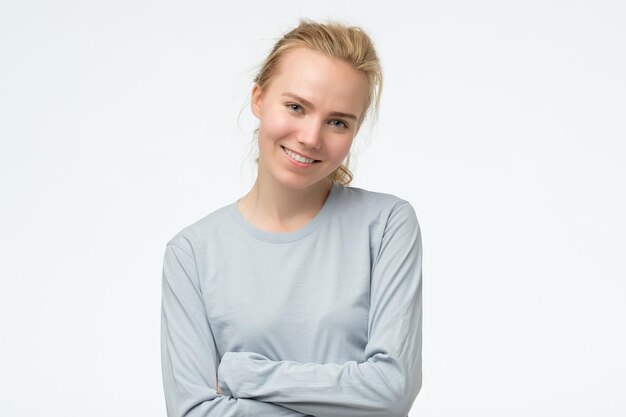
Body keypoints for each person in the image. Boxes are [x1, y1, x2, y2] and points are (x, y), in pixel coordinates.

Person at [160, 19, 423, 417]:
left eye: (338, 121)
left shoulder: (387, 225)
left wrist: (242, 375)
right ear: (259, 99)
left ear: (355, 130)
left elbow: (391, 391)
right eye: (296, 107)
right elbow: (194, 412)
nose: (311, 137)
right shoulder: (192, 254)